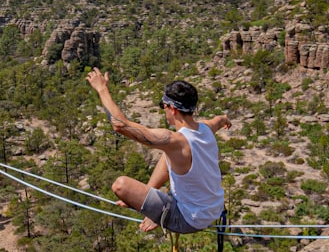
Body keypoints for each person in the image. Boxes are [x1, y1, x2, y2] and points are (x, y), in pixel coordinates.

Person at [86, 68, 231, 233]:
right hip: (214, 209)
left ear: (172, 108)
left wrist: (101, 89)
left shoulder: (175, 140)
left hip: (189, 219)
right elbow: (220, 120)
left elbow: (120, 125)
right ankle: (151, 203)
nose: (163, 110)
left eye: (163, 106)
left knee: (121, 185)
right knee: (169, 153)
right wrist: (226, 120)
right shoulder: (206, 127)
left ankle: (157, 212)